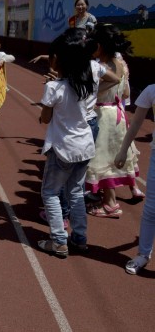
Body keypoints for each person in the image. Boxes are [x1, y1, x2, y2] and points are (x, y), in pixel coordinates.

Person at [37, 28, 96, 258]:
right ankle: (79, 237)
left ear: (58, 60)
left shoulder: (54, 87)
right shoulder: (87, 83)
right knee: (76, 192)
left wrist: (49, 89)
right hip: (84, 146)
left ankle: (59, 240)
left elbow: (45, 118)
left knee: (50, 192)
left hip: (63, 149)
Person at [85, 24, 139, 218]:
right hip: (117, 113)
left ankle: (110, 204)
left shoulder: (103, 67)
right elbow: (125, 92)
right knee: (110, 156)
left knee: (101, 158)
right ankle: (109, 200)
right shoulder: (121, 64)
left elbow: (92, 92)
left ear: (99, 46)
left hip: (103, 113)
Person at [115, 83, 155, 274]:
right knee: (151, 209)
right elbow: (136, 123)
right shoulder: (151, 90)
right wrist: (123, 151)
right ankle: (143, 254)